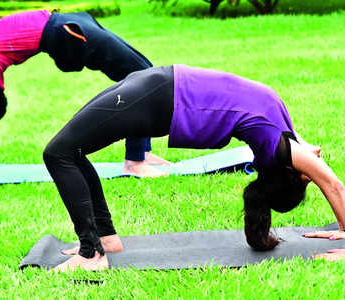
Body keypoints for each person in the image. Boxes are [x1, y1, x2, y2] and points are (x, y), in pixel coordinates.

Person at [42, 65, 345, 272]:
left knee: (59, 153)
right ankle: (104, 240)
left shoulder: (279, 147)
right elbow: (320, 167)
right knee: (70, 151)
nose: (315, 163)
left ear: (287, 173)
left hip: (162, 95)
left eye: (305, 177)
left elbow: (332, 184)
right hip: (159, 84)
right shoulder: (285, 134)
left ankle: (91, 254)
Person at [0, 10, 170, 185]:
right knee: (142, 75)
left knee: (143, 73)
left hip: (65, 29)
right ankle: (135, 161)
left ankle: (141, 154)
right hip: (63, 28)